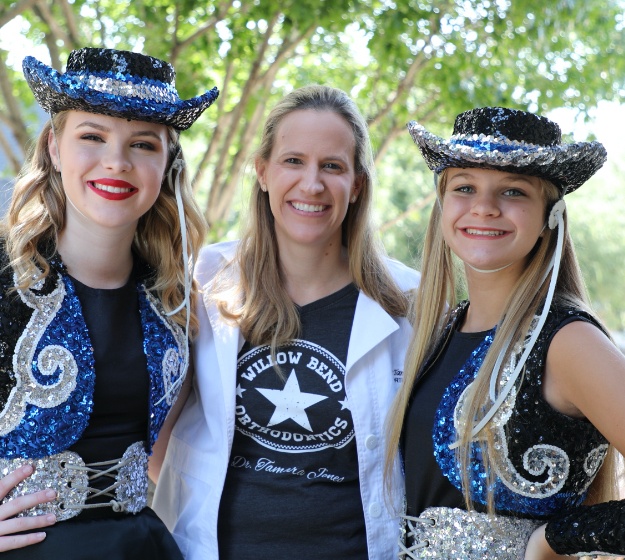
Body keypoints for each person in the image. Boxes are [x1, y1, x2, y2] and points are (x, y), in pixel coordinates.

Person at [151, 84, 420, 559]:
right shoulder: (205, 280)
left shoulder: (408, 302)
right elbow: (150, 433)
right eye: (293, 161)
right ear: (262, 171)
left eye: (332, 166)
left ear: (357, 184)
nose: (311, 184)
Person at [0, 47, 218, 558]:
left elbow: (177, 460)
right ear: (54, 146)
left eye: (143, 144)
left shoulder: (178, 301)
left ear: (168, 163)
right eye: (92, 136)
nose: (116, 162)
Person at [385, 106, 625, 559]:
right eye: (465, 187)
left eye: (513, 191)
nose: (483, 207)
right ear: (442, 203)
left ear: (549, 216)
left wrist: (553, 540)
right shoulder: (436, 333)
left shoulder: (566, 341)